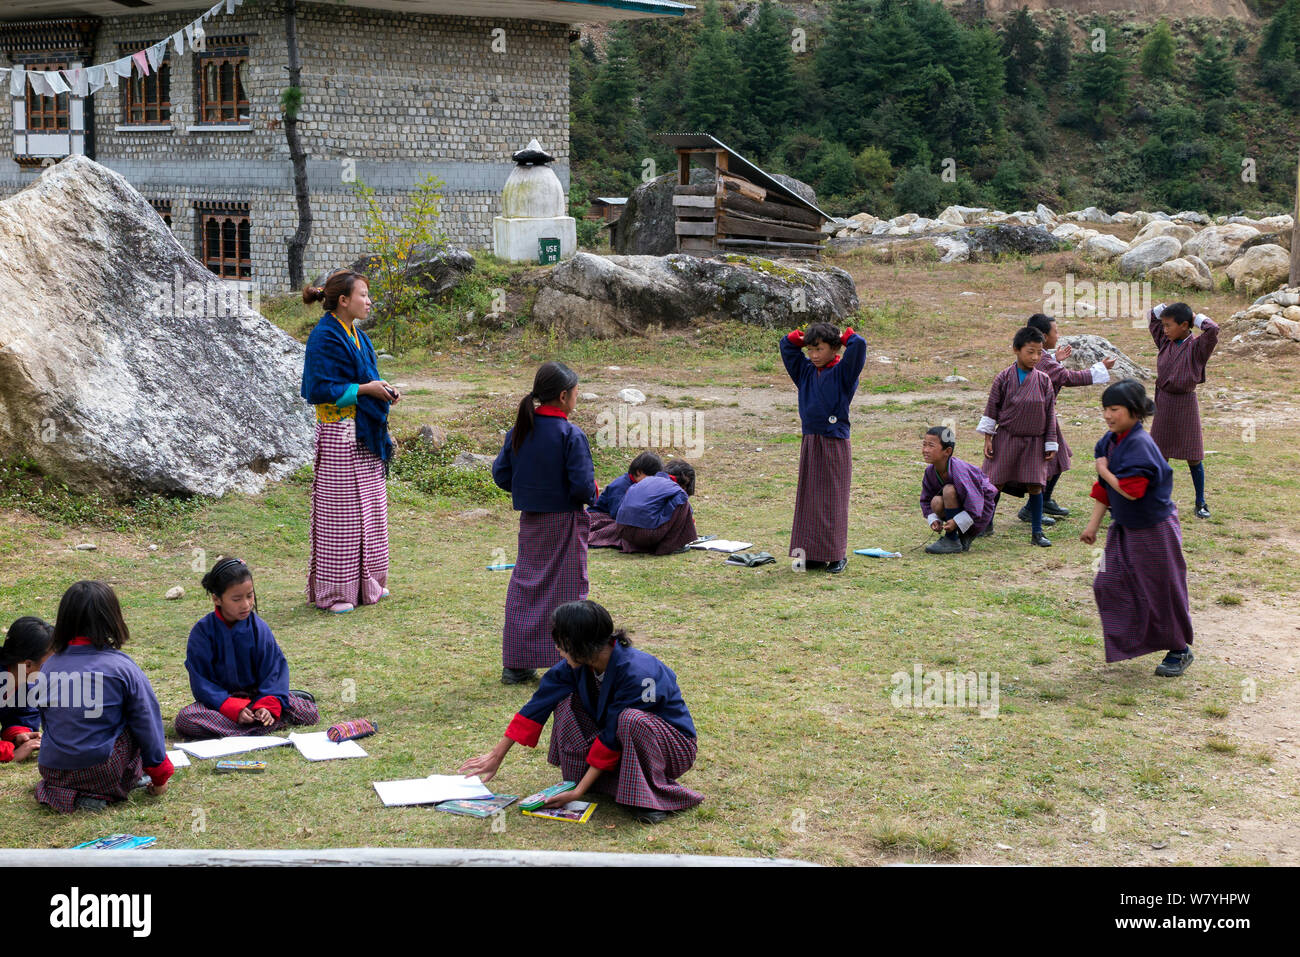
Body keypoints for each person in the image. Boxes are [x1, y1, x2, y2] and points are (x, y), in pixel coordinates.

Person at [459, 600, 702, 824]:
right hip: (620, 741)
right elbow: (537, 706)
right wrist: (495, 756)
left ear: (580, 644)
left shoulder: (638, 671)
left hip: (671, 749)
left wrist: (578, 792)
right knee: (564, 698)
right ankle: (593, 780)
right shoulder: (575, 666)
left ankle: (650, 797)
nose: (558, 650)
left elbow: (611, 734)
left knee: (630, 719)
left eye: (561, 643)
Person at [300, 269, 400, 614]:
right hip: (338, 434)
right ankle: (335, 593)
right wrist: (365, 390)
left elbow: (366, 378)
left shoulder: (357, 335)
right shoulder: (324, 337)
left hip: (364, 434)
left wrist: (383, 387)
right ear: (343, 300)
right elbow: (317, 390)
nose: (369, 302)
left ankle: (369, 584)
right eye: (363, 295)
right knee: (340, 517)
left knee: (369, 512)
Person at [493, 361, 598, 685]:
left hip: (532, 522)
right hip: (564, 521)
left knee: (526, 586)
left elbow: (501, 474)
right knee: (568, 590)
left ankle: (516, 663)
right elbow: (582, 486)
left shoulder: (521, 429)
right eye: (576, 393)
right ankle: (569, 660)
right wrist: (594, 492)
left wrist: (529, 489)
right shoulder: (570, 434)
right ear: (564, 396)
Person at [1080, 380, 1195, 676]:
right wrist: (1092, 526)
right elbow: (1105, 489)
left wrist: (1103, 469)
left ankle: (1179, 649)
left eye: (1114, 409)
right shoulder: (1110, 440)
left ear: (1133, 412)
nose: (1108, 415)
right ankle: (1134, 641)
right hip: (1125, 528)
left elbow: (1131, 491)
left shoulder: (1140, 445)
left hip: (1155, 530)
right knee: (1108, 584)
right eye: (1105, 408)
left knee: (1161, 589)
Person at [35, 581, 173, 813]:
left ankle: (67, 794)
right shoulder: (121, 666)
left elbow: (48, 721)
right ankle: (110, 787)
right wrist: (160, 776)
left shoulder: (49, 666)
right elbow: (146, 721)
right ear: (112, 618)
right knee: (133, 720)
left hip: (52, 768)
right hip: (100, 769)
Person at [174, 558, 320, 739]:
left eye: (249, 596)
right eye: (236, 599)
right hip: (221, 705)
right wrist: (232, 707)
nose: (245, 604)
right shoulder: (202, 632)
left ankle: (253, 723)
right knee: (185, 719)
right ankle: (266, 726)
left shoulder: (260, 629)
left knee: (310, 713)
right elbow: (201, 682)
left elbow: (274, 671)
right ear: (217, 599)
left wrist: (266, 706)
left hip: (259, 700)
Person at [780, 321, 868, 573]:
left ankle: (837, 555)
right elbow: (786, 345)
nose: (814, 355)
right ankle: (814, 555)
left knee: (832, 500)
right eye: (810, 350)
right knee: (810, 499)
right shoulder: (805, 371)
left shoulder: (844, 373)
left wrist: (843, 335)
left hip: (834, 440)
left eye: (819, 349)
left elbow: (859, 345)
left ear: (835, 349)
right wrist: (803, 337)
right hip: (810, 440)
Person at [1021, 313, 1115, 522]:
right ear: (1044, 336)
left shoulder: (1039, 357)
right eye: (1056, 331)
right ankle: (1032, 507)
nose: (1059, 335)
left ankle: (1042, 501)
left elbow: (1049, 368)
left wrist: (1055, 359)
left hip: (1040, 416)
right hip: (1040, 419)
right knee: (1055, 458)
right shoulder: (1043, 360)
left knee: (1058, 457)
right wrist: (1100, 369)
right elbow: (1067, 377)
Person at [978, 326, 1058, 547]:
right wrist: (988, 438)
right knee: (996, 482)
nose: (1035, 357)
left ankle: (1037, 532)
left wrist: (1050, 442)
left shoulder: (1044, 380)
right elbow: (991, 409)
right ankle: (986, 523)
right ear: (1016, 350)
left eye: (1039, 352)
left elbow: (1050, 413)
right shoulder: (1003, 378)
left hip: (1035, 441)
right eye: (1030, 351)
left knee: (1036, 485)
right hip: (1007, 437)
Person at [1148, 302, 1219, 519]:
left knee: (1194, 456)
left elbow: (1213, 329)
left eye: (1169, 325)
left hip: (1186, 403)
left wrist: (1196, 316)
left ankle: (1201, 502)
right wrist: (1167, 307)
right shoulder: (1164, 341)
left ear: (1185, 325)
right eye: (1164, 326)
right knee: (1160, 455)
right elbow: (1153, 317)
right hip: (1164, 402)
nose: (1165, 330)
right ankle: (1157, 500)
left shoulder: (1198, 347)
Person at [919, 426, 999, 554]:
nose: (925, 450)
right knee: (935, 502)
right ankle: (957, 537)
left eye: (931, 446)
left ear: (947, 451)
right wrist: (934, 519)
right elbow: (926, 499)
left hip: (980, 510)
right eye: (924, 445)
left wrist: (957, 521)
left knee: (949, 490)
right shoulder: (930, 471)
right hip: (966, 509)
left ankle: (952, 539)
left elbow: (976, 504)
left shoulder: (958, 470)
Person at [614, 459, 698, 555]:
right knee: (683, 501)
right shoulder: (677, 489)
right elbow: (682, 502)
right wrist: (689, 523)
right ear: (684, 485)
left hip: (623, 533)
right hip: (646, 535)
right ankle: (671, 546)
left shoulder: (644, 482)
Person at [0, 617, 53, 764]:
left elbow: (22, 715)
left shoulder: (28, 683)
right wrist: (9, 752)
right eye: (51, 661)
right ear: (28, 665)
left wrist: (19, 735)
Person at [588, 451, 662, 549]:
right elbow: (618, 514)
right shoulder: (621, 486)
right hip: (598, 517)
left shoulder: (640, 485)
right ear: (639, 472)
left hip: (614, 517)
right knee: (621, 529)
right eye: (650, 477)